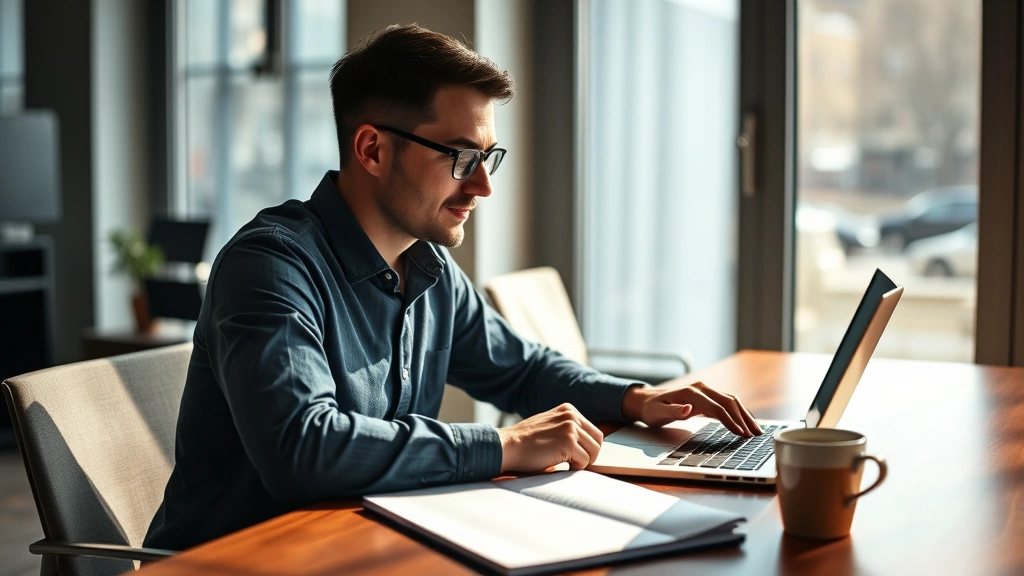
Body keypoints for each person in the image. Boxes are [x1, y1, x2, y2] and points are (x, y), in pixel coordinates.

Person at [144, 23, 761, 551]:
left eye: (488, 158)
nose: (483, 187)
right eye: (461, 158)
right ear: (373, 150)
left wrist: (635, 400)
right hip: (234, 561)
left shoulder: (429, 270)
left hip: (362, 544)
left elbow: (522, 371)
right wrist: (500, 446)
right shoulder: (271, 265)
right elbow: (302, 447)